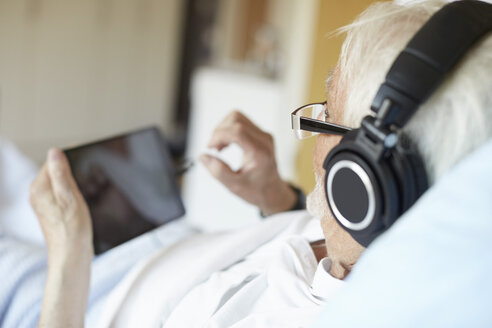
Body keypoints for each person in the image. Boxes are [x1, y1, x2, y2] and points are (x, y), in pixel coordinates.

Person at [2, 0, 491, 327]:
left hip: (76, 302)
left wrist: (69, 258)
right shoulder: (368, 239)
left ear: (361, 182)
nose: (311, 125)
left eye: (324, 116)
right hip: (167, 248)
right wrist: (275, 199)